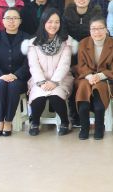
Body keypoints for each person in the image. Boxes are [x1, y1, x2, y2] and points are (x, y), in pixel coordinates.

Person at [24, 8, 75, 136]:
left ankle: (65, 122)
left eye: (57, 22)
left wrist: (54, 82)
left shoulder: (66, 41)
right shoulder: (33, 42)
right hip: (39, 79)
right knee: (38, 97)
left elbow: (65, 64)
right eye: (50, 21)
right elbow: (33, 65)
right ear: (44, 22)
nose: (53, 25)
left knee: (55, 96)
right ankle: (35, 122)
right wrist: (41, 82)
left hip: (61, 78)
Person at [75, 16, 113, 140]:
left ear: (106, 29)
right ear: (90, 30)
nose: (97, 32)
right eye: (94, 29)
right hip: (86, 78)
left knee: (99, 100)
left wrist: (99, 76)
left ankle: (99, 127)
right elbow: (81, 66)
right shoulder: (83, 43)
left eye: (100, 28)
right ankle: (84, 128)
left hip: (106, 79)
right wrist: (90, 76)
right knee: (83, 89)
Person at [0, 8, 30, 136]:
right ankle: (0, 121)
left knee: (13, 86)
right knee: (0, 85)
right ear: (3, 21)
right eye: (8, 18)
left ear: (20, 21)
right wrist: (1, 75)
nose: (12, 21)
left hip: (19, 78)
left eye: (15, 18)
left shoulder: (27, 38)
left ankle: (8, 121)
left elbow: (28, 63)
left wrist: (15, 75)